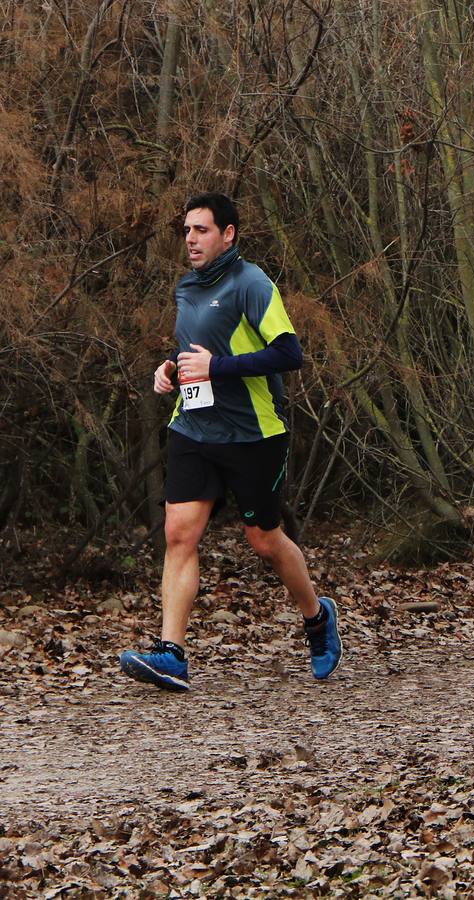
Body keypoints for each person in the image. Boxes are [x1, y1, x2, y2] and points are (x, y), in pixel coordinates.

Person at [120, 192, 341, 691]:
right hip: (194, 428)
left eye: (201, 230)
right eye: (187, 231)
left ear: (228, 234)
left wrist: (218, 369)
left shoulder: (251, 283)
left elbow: (289, 354)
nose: (191, 240)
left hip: (253, 432)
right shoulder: (187, 288)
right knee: (179, 532)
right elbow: (196, 352)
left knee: (264, 539)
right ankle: (172, 653)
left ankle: (316, 617)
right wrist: (172, 370)